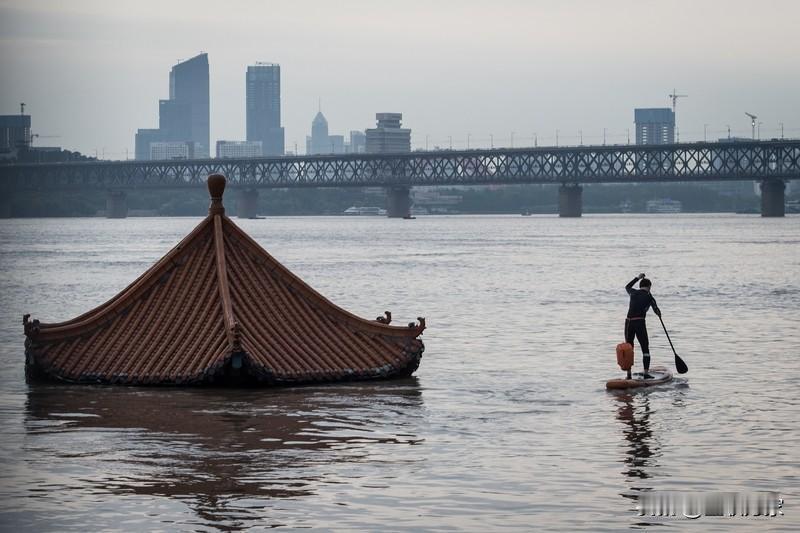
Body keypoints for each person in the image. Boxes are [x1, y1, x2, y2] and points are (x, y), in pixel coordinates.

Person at [625, 273, 661, 379]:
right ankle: (646, 373)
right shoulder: (649, 296)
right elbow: (656, 310)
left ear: (640, 286)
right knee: (645, 347)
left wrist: (637, 277)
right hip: (640, 323)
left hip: (628, 323)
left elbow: (627, 286)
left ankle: (628, 374)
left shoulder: (633, 292)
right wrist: (659, 314)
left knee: (629, 347)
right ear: (649, 287)